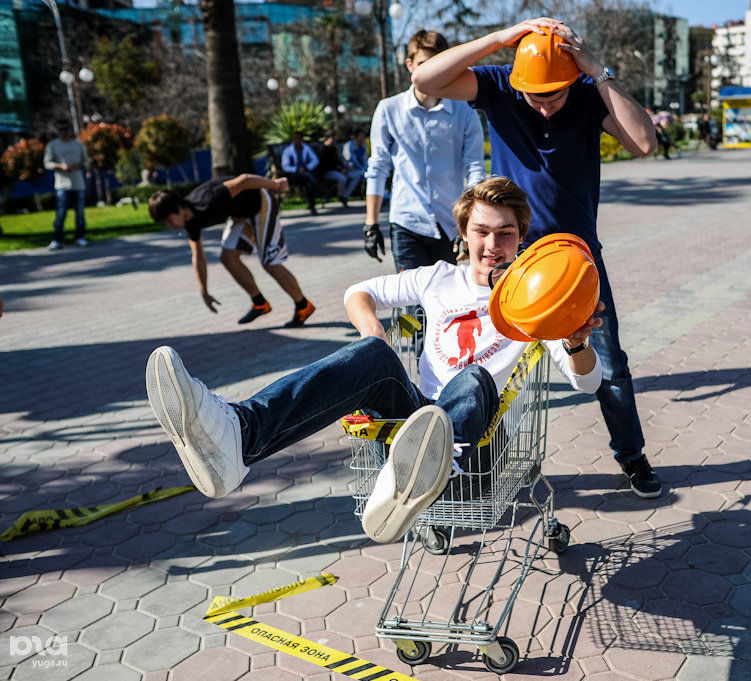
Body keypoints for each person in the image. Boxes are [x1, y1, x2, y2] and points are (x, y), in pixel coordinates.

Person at [144, 177, 603, 544]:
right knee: (375, 357)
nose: (492, 245)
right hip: (413, 429)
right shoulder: (438, 278)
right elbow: (356, 291)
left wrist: (575, 342)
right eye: (481, 232)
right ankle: (238, 436)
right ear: (462, 236)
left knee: (475, 377)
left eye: (505, 234)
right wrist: (373, 333)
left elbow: (587, 384)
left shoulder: (540, 302)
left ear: (521, 238)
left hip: (476, 453)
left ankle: (429, 471)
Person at [412, 17, 664, 498]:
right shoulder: (500, 89)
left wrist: (593, 67)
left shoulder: (590, 97)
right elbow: (424, 79)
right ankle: (473, 457)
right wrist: (499, 40)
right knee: (484, 359)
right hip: (507, 253)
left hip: (573, 261)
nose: (544, 105)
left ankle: (631, 456)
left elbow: (645, 142)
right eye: (535, 95)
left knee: (606, 359)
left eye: (554, 94)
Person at [362, 29, 486, 272]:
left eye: (438, 64)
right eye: (423, 64)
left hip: (450, 223)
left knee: (446, 305)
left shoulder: (465, 111)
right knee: (412, 306)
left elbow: (475, 168)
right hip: (407, 221)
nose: (431, 72)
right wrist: (371, 224)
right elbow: (378, 167)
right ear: (410, 65)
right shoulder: (389, 109)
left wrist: (471, 221)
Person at [147, 174, 316, 328]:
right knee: (228, 258)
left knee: (270, 263)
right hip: (241, 214)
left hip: (261, 203)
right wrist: (204, 291)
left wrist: (275, 185)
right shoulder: (190, 222)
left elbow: (244, 181)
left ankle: (303, 306)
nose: (170, 226)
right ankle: (259, 303)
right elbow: (198, 257)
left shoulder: (208, 200)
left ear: (178, 208)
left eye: (169, 220)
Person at [43, 119, 90, 251]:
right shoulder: (52, 145)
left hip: (78, 184)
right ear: (58, 131)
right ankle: (57, 240)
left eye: (66, 129)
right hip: (62, 185)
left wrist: (77, 166)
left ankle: (80, 238)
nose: (64, 132)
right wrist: (61, 166)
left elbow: (87, 162)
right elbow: (47, 163)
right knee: (61, 214)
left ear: (70, 130)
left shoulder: (79, 145)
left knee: (80, 214)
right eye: (61, 129)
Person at [280, 132, 320, 216]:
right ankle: (313, 202)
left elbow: (315, 160)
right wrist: (297, 169)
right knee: (310, 180)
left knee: (308, 183)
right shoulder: (288, 150)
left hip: (305, 173)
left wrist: (307, 167)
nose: (296, 140)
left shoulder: (306, 148)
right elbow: (285, 166)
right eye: (294, 138)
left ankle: (312, 206)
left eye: (298, 138)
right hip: (293, 175)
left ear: (301, 139)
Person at [318, 131, 352, 208]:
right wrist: (339, 170)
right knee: (342, 178)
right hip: (326, 173)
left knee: (353, 175)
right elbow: (326, 165)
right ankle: (340, 196)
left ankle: (344, 196)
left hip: (336, 171)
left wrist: (343, 168)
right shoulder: (322, 149)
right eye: (334, 138)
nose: (335, 140)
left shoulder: (333, 148)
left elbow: (338, 161)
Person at [342, 131, 368, 202]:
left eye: (363, 136)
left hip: (361, 169)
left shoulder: (364, 145)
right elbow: (349, 158)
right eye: (360, 136)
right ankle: (344, 196)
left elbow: (364, 158)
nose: (362, 138)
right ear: (356, 137)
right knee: (357, 176)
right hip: (349, 169)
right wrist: (361, 168)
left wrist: (366, 168)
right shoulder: (349, 145)